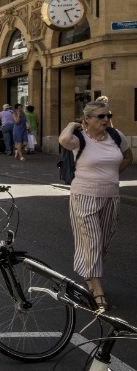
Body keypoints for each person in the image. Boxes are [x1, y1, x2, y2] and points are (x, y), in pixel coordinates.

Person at [58, 100, 133, 310]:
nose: (106, 120)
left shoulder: (116, 137)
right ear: (88, 119)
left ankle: (89, 277)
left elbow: (128, 156)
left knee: (102, 243)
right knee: (92, 240)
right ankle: (98, 290)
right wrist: (74, 124)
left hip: (111, 196)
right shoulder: (79, 139)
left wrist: (113, 175)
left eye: (108, 115)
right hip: (84, 196)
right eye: (100, 117)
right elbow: (63, 138)